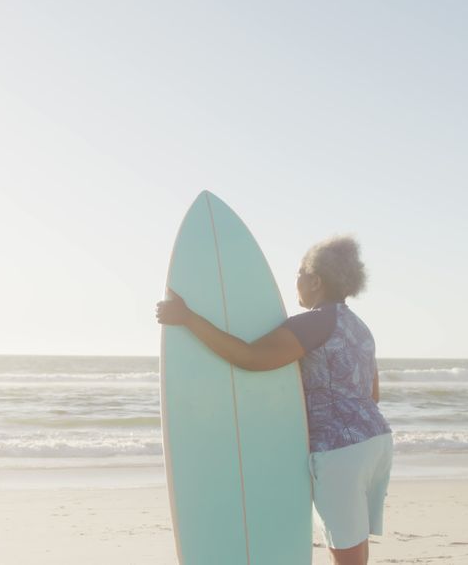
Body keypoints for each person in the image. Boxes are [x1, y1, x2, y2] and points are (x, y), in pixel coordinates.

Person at [155, 235, 392, 565]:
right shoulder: (360, 327)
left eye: (299, 273)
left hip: (341, 452)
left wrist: (189, 319)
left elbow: (251, 357)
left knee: (346, 553)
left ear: (315, 280)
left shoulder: (314, 322)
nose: (295, 281)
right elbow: (373, 394)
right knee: (352, 543)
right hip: (376, 441)